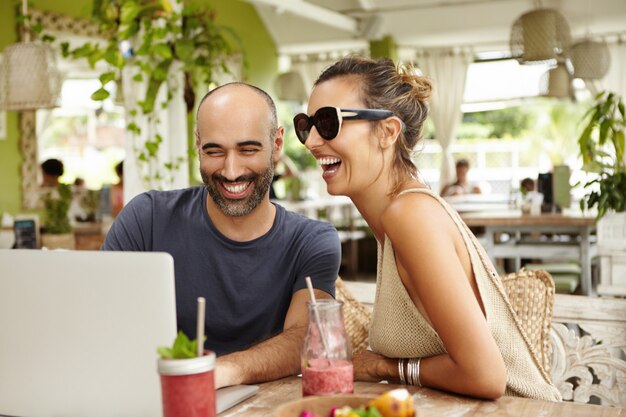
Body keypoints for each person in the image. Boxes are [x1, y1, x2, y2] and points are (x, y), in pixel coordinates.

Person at [295, 55, 561, 401]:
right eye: (307, 124)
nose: (312, 141)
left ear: (387, 132)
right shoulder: (395, 216)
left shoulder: (411, 215)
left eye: (329, 122)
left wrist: (383, 367)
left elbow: (486, 377)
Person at [102, 82, 341, 388]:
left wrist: (214, 373)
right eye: (214, 151)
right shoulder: (146, 219)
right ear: (197, 144)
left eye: (248, 149)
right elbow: (103, 320)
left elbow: (304, 338)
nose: (230, 171)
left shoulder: (312, 241)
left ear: (277, 144)